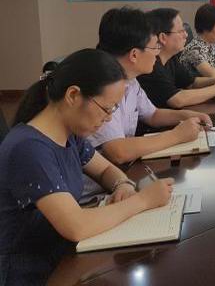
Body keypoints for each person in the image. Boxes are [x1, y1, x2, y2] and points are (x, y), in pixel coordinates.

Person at [0, 49, 174, 284]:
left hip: (63, 255)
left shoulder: (70, 135)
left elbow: (105, 170)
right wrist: (143, 200)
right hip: (32, 272)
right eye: (107, 108)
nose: (109, 118)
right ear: (73, 95)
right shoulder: (29, 148)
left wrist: (122, 185)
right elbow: (76, 226)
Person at [89, 7, 211, 166]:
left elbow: (152, 115)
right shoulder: (102, 85)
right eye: (154, 47)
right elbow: (118, 152)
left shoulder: (131, 80)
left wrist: (187, 115)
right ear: (134, 55)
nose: (157, 53)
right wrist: (177, 135)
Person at [138, 8, 215, 109]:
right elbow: (177, 99)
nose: (186, 35)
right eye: (181, 31)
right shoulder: (150, 64)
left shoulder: (171, 57)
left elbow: (191, 83)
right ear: (163, 38)